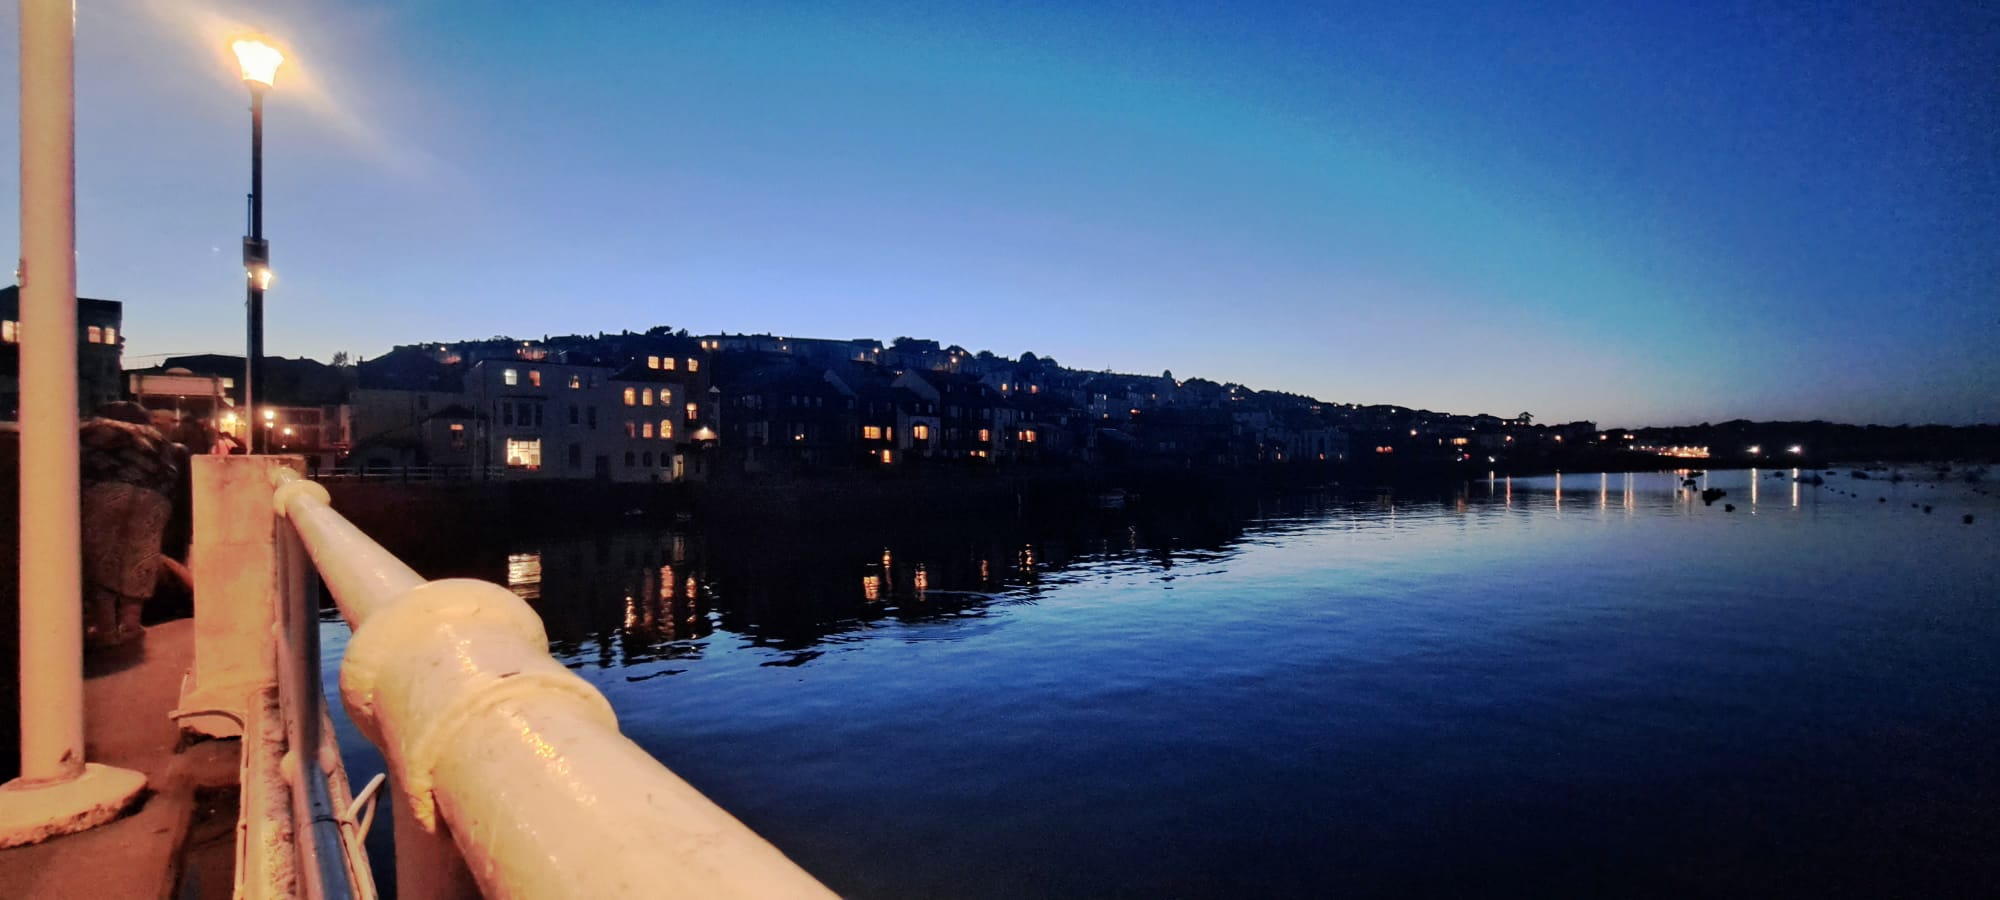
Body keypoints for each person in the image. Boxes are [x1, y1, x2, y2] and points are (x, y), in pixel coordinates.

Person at [78, 402, 180, 649]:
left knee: (103, 559)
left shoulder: (90, 431)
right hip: (154, 497)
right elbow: (171, 471)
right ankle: (131, 625)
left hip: (104, 491)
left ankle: (106, 629)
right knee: (140, 559)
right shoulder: (156, 439)